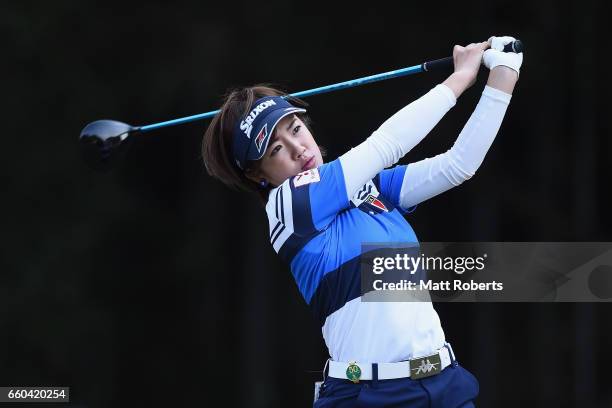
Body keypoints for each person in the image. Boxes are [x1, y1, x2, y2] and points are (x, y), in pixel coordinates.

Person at [202, 36, 523, 407]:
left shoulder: (368, 188)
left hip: (445, 385)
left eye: (294, 129)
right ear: (259, 175)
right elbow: (385, 144)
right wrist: (461, 77)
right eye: (275, 150)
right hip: (370, 396)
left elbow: (458, 165)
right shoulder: (288, 206)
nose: (298, 149)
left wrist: (504, 71)